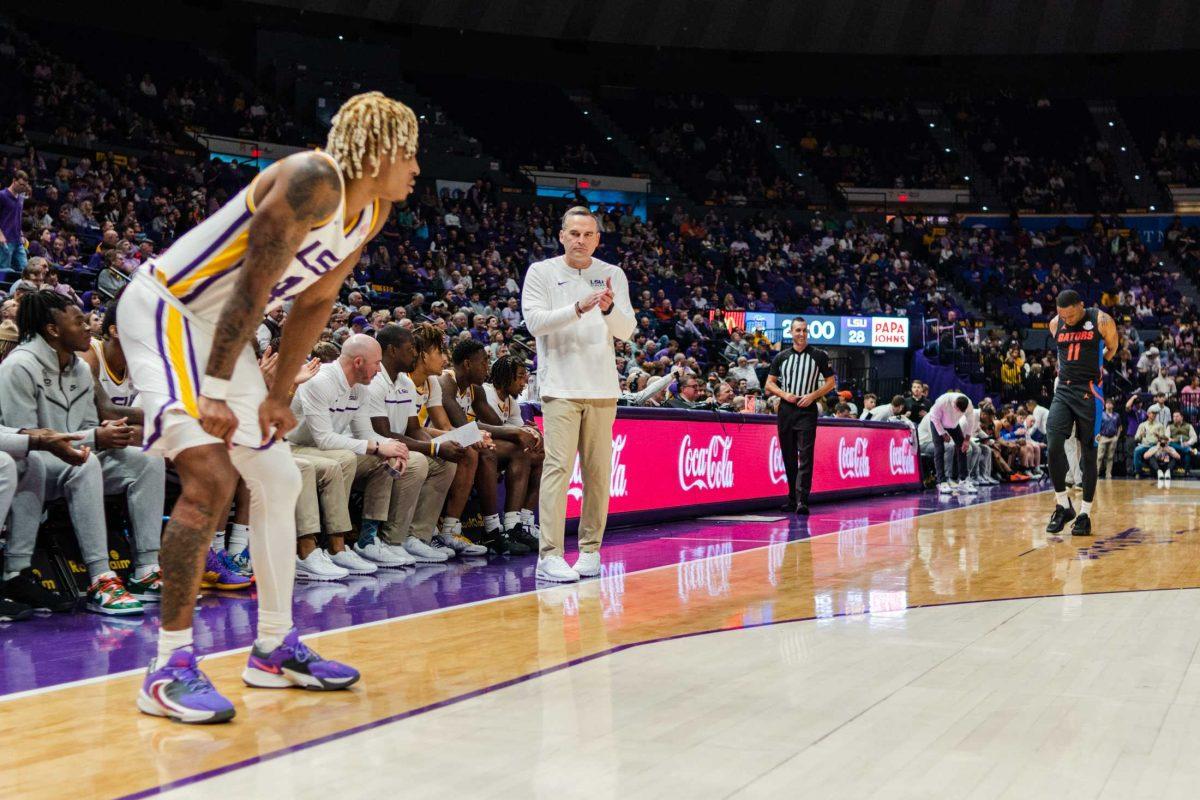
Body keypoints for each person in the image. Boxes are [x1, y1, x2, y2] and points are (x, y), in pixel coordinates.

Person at [120, 92, 420, 723]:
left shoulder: (372, 213)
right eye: (411, 152)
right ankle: (168, 663)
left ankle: (273, 648)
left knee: (278, 476)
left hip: (225, 331)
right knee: (209, 474)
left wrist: (281, 394)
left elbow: (312, 303)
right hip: (170, 311)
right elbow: (253, 287)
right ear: (383, 149)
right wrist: (217, 387)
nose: (418, 167)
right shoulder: (311, 179)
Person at [0, 291, 166, 614]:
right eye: (78, 321)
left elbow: (88, 429)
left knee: (148, 460)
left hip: (70, 458)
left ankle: (146, 569)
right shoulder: (19, 367)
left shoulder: (78, 369)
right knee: (84, 464)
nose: (90, 326)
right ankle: (101, 578)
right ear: (53, 329)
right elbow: (27, 441)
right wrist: (94, 439)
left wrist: (110, 437)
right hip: (31, 466)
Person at [521, 205, 634, 583]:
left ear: (597, 239)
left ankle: (590, 551)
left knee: (598, 475)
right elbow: (535, 323)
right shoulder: (542, 272)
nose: (580, 240)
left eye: (588, 234)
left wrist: (609, 308)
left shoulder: (612, 274)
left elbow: (626, 331)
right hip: (560, 389)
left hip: (603, 389)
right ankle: (550, 554)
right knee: (557, 471)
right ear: (562, 236)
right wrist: (577, 307)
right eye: (574, 233)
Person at [286, 334, 413, 578]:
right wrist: (376, 446)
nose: (379, 369)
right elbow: (323, 439)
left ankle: (368, 540)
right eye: (376, 363)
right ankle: (333, 545)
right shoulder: (320, 382)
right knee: (344, 457)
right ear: (358, 362)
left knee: (386, 460)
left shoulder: (360, 389)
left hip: (327, 449)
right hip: (296, 446)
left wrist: (394, 447)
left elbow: (363, 432)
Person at [363, 323, 466, 556]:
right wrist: (432, 447)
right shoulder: (375, 381)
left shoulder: (405, 382)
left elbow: (413, 428)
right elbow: (384, 433)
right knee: (418, 461)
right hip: (376, 448)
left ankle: (418, 536)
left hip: (400, 447)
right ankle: (393, 540)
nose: (414, 354)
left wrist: (438, 447)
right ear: (392, 351)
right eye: (410, 349)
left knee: (446, 463)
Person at [440, 340, 540, 552]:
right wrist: (514, 432)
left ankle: (512, 526)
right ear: (467, 364)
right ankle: (491, 529)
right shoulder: (446, 381)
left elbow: (495, 424)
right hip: (440, 439)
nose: (488, 367)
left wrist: (522, 432)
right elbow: (463, 424)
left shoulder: (475, 390)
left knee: (517, 450)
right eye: (484, 362)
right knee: (487, 451)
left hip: (463, 440)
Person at [1044, 290, 1119, 536]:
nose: (1068, 319)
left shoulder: (1101, 320)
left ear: (1082, 306)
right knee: (1054, 444)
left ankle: (1085, 513)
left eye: (1072, 314)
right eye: (1063, 315)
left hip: (1090, 392)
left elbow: (1112, 348)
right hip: (1063, 391)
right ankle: (1063, 505)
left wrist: (1101, 364)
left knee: (1088, 453)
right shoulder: (1056, 324)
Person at [764, 317, 837, 515]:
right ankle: (791, 498)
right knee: (788, 455)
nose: (801, 334)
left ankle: (802, 500)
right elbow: (769, 383)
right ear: (791, 332)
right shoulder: (781, 357)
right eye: (798, 330)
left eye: (804, 330)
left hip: (807, 410)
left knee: (805, 456)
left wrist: (813, 396)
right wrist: (784, 394)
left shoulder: (819, 356)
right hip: (786, 410)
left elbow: (831, 383)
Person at [919, 392, 978, 494]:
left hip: (953, 425)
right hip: (938, 423)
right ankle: (941, 481)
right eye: (958, 409)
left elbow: (970, 420)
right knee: (940, 449)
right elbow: (934, 418)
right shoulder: (943, 401)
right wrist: (942, 433)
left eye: (961, 411)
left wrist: (967, 439)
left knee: (962, 447)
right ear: (954, 403)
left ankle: (963, 481)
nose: (959, 412)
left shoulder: (968, 403)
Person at [0, 170, 30, 272]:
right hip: (4, 240)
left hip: (17, 240)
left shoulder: (21, 198)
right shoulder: (2, 195)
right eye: (21, 184)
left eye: (25, 186)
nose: (23, 187)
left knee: (26, 270)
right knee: (4, 271)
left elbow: (17, 219)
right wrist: (0, 235)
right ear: (14, 181)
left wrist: (21, 234)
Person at [1096, 399, 1121, 479]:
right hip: (1103, 437)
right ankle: (1096, 472)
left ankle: (1108, 473)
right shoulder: (1101, 414)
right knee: (1100, 456)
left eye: (1110, 403)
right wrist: (1098, 434)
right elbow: (1097, 425)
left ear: (1113, 405)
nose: (1108, 405)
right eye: (1107, 403)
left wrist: (1117, 436)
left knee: (1110, 457)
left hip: (1113, 437)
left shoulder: (1116, 415)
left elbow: (1119, 427)